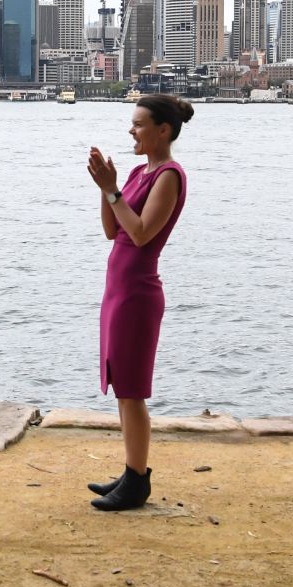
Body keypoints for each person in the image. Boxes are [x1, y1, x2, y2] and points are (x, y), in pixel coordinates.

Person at [84, 94, 193, 511]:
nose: (131, 130)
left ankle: (138, 481)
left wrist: (113, 190)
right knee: (122, 389)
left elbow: (143, 232)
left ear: (162, 131)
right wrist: (106, 188)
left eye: (139, 124)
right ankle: (132, 472)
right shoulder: (137, 171)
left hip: (138, 293)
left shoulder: (169, 175)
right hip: (118, 289)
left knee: (132, 390)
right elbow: (113, 230)